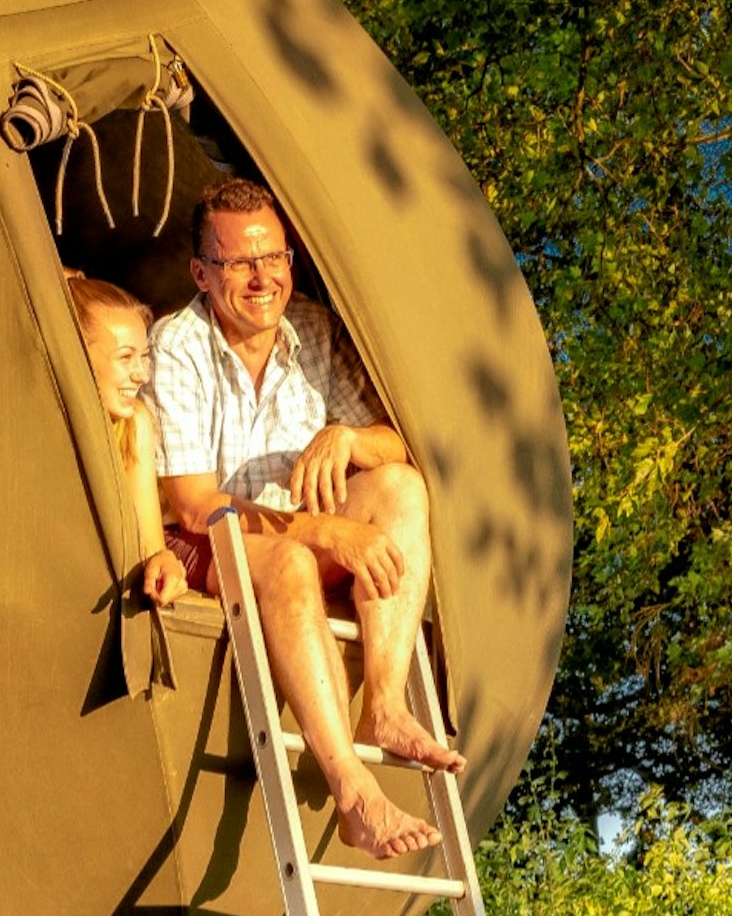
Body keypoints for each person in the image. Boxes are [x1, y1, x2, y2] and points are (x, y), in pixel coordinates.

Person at [150, 178, 461, 863]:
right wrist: (319, 531)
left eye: (275, 257)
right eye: (240, 263)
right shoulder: (176, 345)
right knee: (289, 557)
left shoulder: (314, 331)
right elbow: (194, 505)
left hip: (301, 530)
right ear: (203, 274)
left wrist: (350, 440)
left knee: (401, 488)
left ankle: (384, 702)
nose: (262, 278)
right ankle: (353, 792)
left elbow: (397, 446)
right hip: (215, 543)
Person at [64, 270, 189, 610]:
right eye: (125, 357)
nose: (142, 374)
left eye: (144, 356)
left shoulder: (135, 424)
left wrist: (165, 565)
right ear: (77, 356)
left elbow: (151, 546)